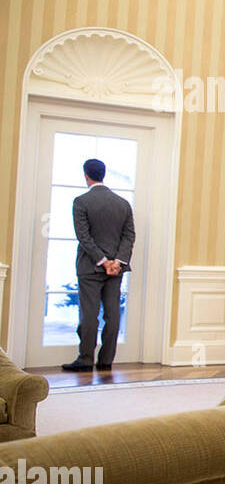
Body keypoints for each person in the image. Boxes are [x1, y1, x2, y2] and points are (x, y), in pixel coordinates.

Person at [63, 158, 135, 372]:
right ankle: (106, 361)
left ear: (86, 175)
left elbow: (83, 237)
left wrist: (102, 262)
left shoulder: (81, 201)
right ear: (103, 174)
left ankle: (85, 359)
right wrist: (117, 262)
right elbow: (129, 236)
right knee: (112, 314)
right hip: (116, 269)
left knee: (89, 313)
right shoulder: (123, 203)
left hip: (90, 268)